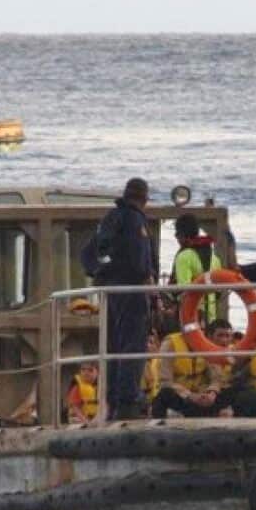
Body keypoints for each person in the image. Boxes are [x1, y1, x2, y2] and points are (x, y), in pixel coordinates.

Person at [93, 177, 157, 420]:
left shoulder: (109, 218)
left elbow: (91, 253)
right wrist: (147, 281)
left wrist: (102, 275)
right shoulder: (134, 220)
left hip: (110, 290)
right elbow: (140, 259)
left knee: (113, 346)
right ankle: (128, 400)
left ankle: (113, 399)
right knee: (132, 345)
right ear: (144, 198)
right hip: (131, 290)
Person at [151, 320, 236, 418]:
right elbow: (165, 381)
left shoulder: (205, 344)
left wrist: (212, 393)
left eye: (200, 330)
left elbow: (215, 377)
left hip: (202, 396)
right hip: (181, 396)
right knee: (165, 394)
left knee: (232, 391)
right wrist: (190, 396)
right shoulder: (170, 344)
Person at [169, 213, 223, 322]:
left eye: (177, 234)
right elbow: (219, 290)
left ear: (183, 236)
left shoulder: (184, 257)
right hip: (211, 318)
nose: (176, 238)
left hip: (191, 317)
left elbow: (184, 290)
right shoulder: (214, 258)